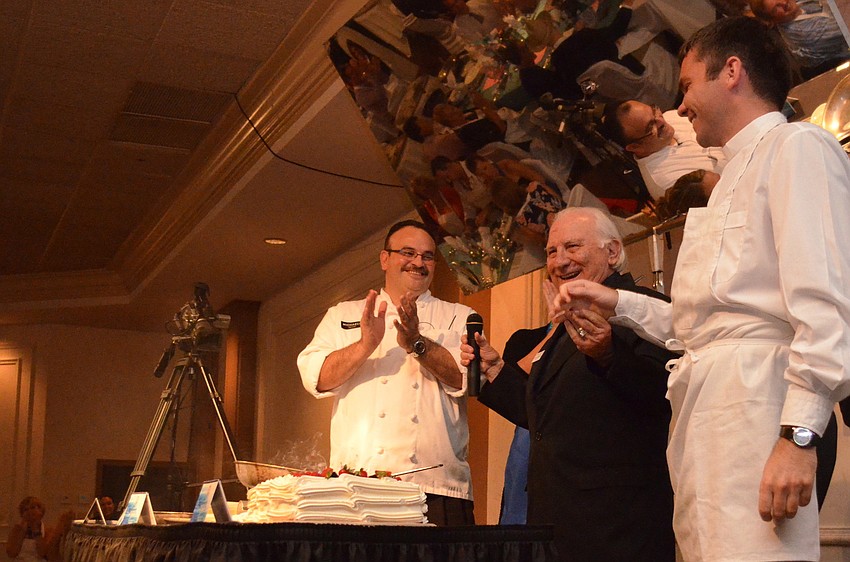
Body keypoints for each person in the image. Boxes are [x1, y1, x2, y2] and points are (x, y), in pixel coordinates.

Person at [556, 16, 850, 561]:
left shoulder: (797, 146)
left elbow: (826, 303)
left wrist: (800, 434)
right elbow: (703, 325)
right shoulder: (726, 178)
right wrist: (617, 302)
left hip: (760, 408)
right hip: (705, 415)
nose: (682, 105)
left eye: (688, 85)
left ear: (732, 71)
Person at [462, 207, 676, 560]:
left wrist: (608, 354)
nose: (560, 261)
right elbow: (544, 418)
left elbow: (664, 395)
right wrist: (495, 370)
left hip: (618, 528)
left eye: (572, 247)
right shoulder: (567, 321)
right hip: (557, 525)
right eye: (551, 251)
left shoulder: (648, 309)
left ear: (612, 252)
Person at [298, 220, 476, 525]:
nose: (418, 262)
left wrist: (418, 343)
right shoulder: (343, 314)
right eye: (408, 253)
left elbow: (467, 379)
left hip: (436, 489)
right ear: (385, 259)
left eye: (428, 256)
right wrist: (366, 344)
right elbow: (316, 378)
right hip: (356, 487)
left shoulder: (460, 316)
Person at [601, 99, 726, 200]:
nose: (661, 120)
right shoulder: (666, 183)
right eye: (650, 126)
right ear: (634, 147)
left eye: (653, 111)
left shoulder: (671, 116)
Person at [750, 0, 850, 79]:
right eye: (776, 8)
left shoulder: (794, 8)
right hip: (840, 68)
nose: (784, 3)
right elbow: (846, 25)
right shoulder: (804, 32)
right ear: (772, 21)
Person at [6, 497, 72, 562]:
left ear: (41, 512)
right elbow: (11, 553)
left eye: (32, 508)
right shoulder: (17, 529)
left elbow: (43, 553)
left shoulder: (47, 530)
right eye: (26, 509)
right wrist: (22, 530)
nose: (30, 512)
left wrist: (35, 529)